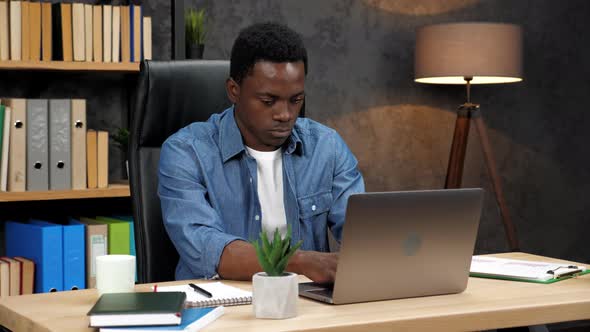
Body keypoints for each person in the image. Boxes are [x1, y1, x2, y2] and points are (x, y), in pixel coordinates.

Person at [158, 22, 364, 283]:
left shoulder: (327, 147)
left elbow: (363, 237)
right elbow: (208, 250)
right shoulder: (186, 152)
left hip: (307, 308)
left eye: (296, 100)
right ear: (234, 91)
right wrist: (301, 262)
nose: (285, 114)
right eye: (269, 101)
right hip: (219, 307)